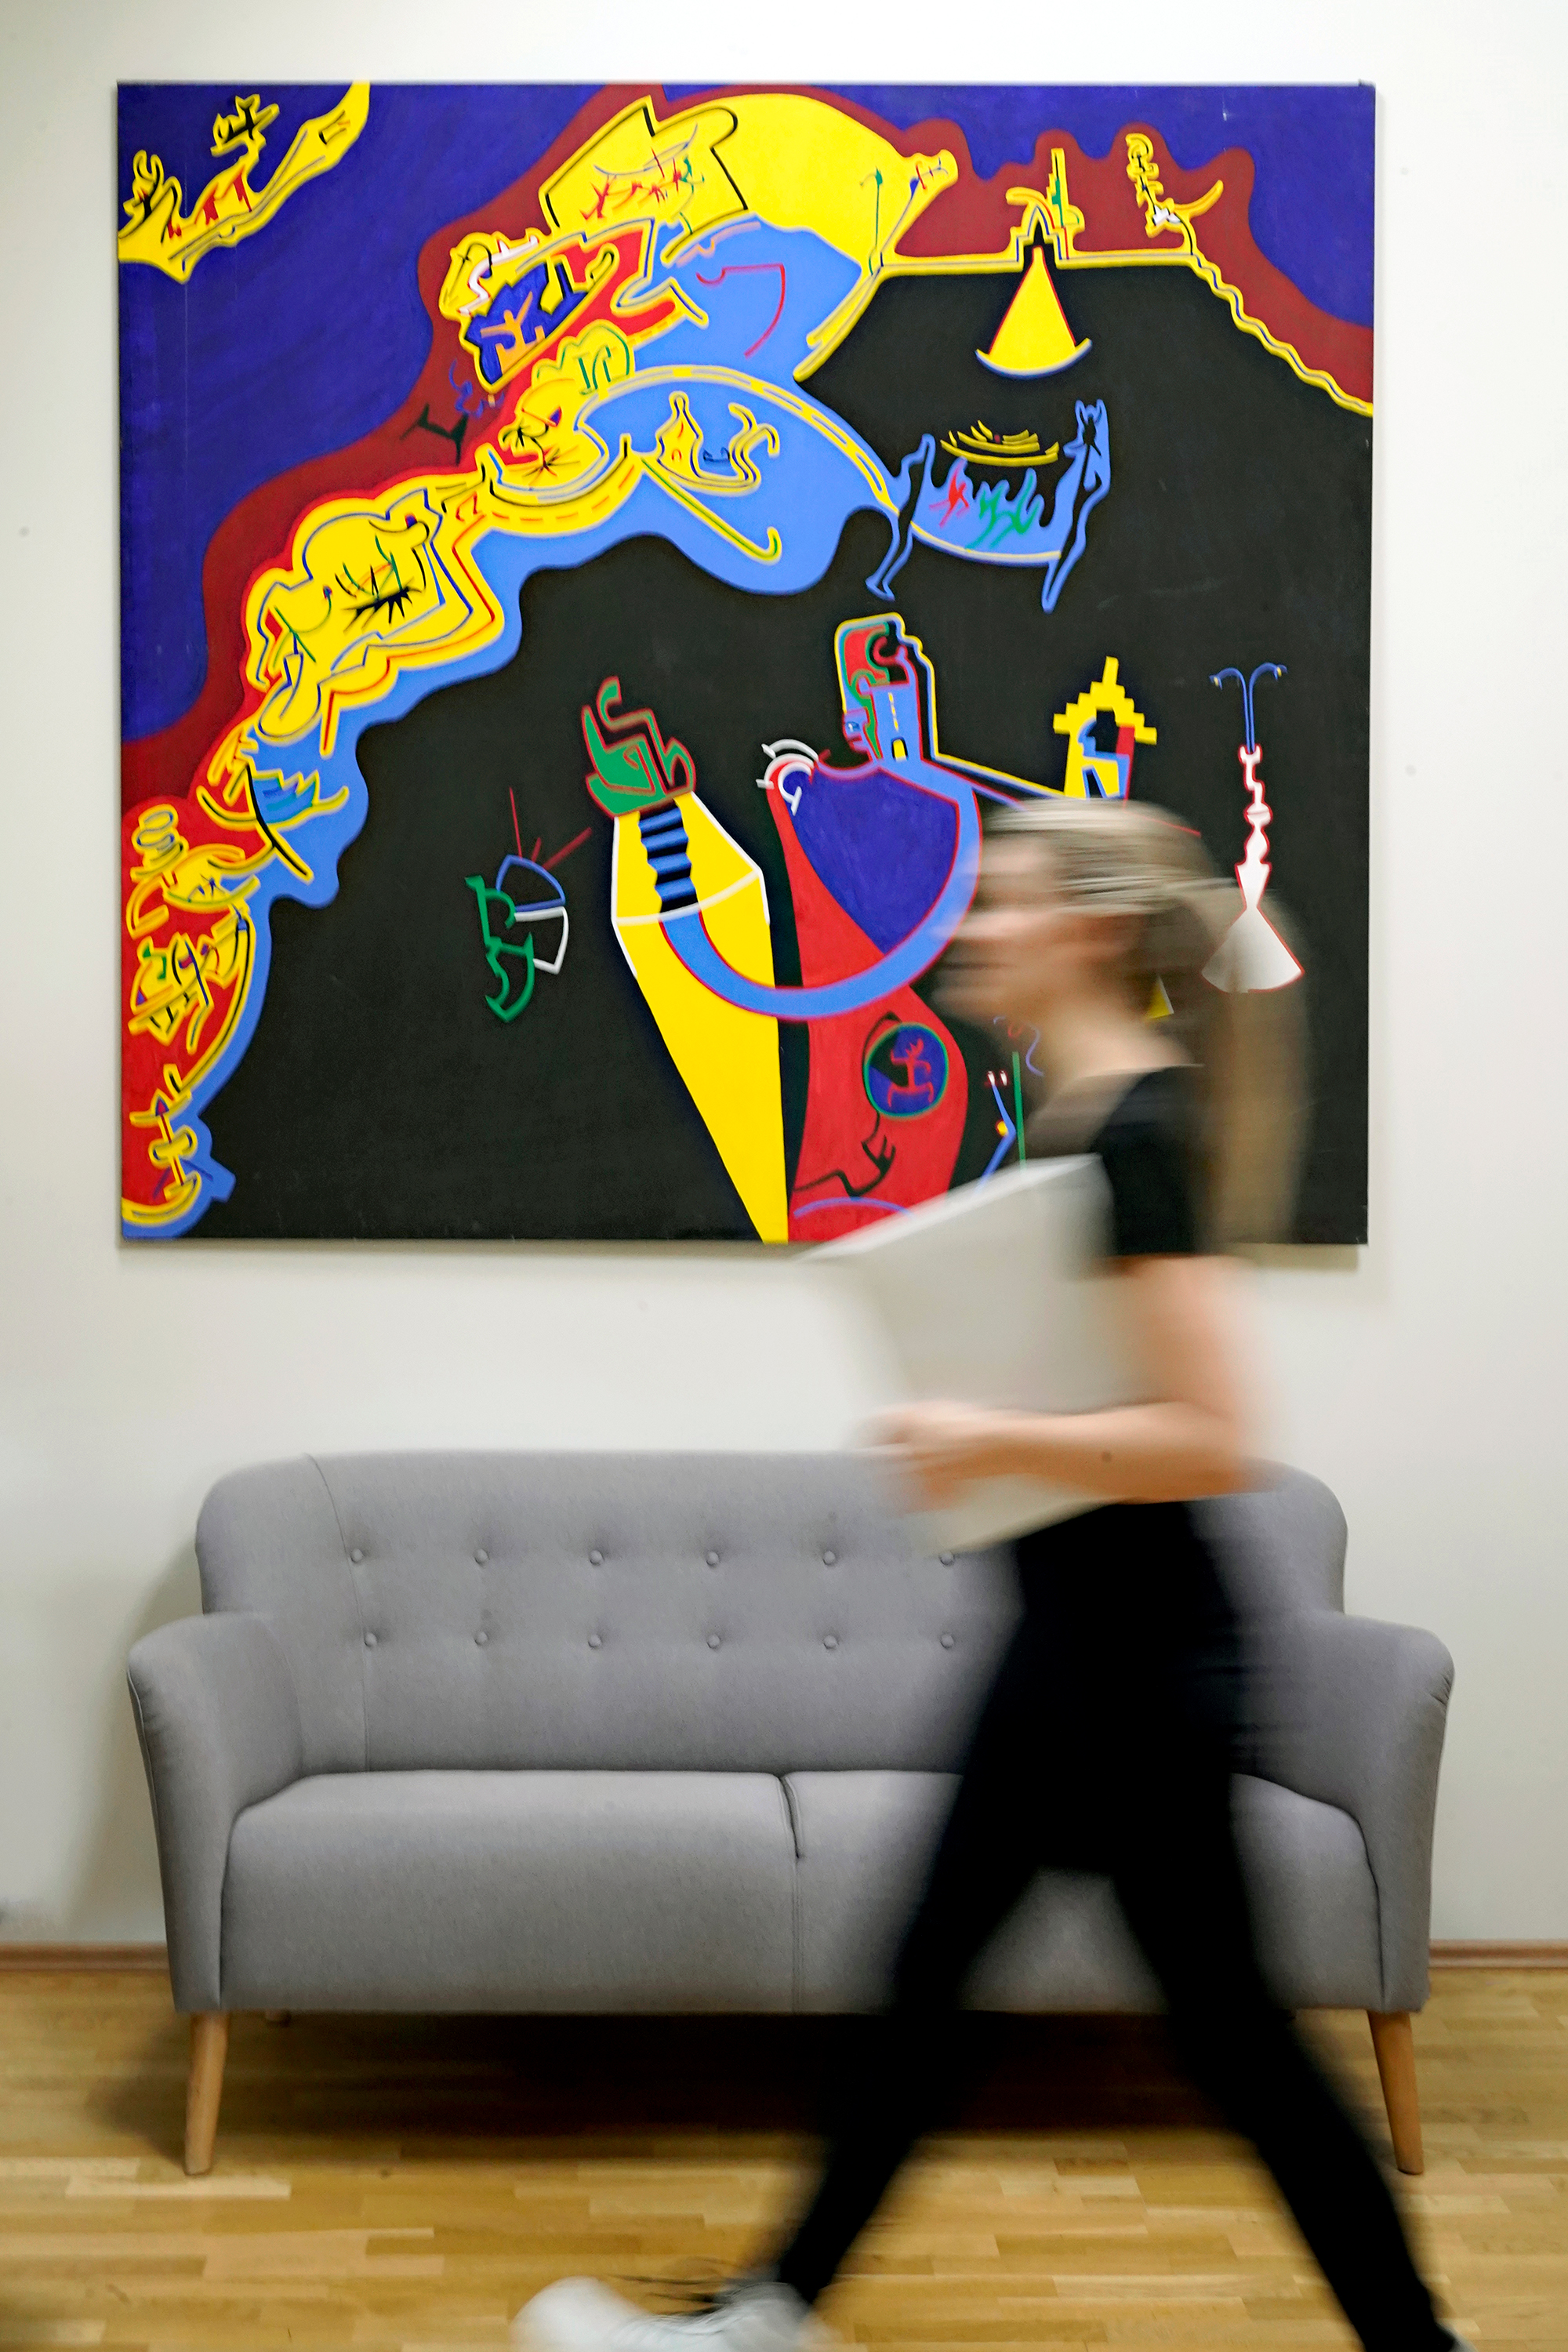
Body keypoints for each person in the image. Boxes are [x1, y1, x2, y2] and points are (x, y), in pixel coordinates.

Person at [515, 800, 1472, 2352]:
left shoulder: (1139, 1134)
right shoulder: (1087, 1121)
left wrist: (985, 1435)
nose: (973, 928)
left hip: (1139, 1671)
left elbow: (1215, 1433)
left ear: (1085, 932)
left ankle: (778, 2315)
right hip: (1083, 1649)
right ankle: (774, 2311)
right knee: (954, 1992)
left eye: (1007, 903)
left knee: (1213, 2045)